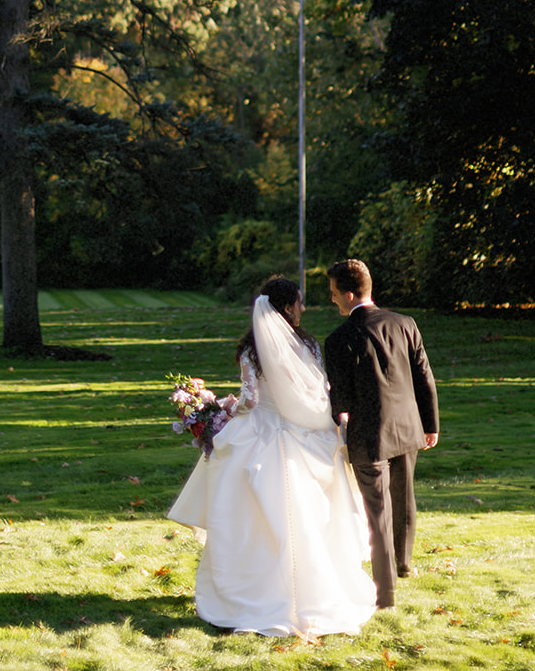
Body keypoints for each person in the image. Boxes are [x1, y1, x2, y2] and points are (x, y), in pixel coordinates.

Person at [168, 274, 376, 638]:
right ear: (287, 307)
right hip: (303, 435)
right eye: (299, 301)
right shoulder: (308, 345)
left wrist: (225, 407)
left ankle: (251, 593)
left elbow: (249, 398)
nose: (303, 307)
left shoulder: (251, 350)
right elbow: (318, 391)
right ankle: (311, 592)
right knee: (306, 518)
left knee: (250, 521)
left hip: (258, 434)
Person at [324, 258, 439, 611]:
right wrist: (430, 424)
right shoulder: (405, 323)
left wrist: (332, 414)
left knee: (378, 511)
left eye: (333, 294)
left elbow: (340, 398)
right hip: (409, 427)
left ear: (348, 294)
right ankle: (404, 563)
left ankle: (385, 594)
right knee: (404, 498)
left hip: (369, 435)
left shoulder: (338, 339)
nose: (332, 301)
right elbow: (424, 377)